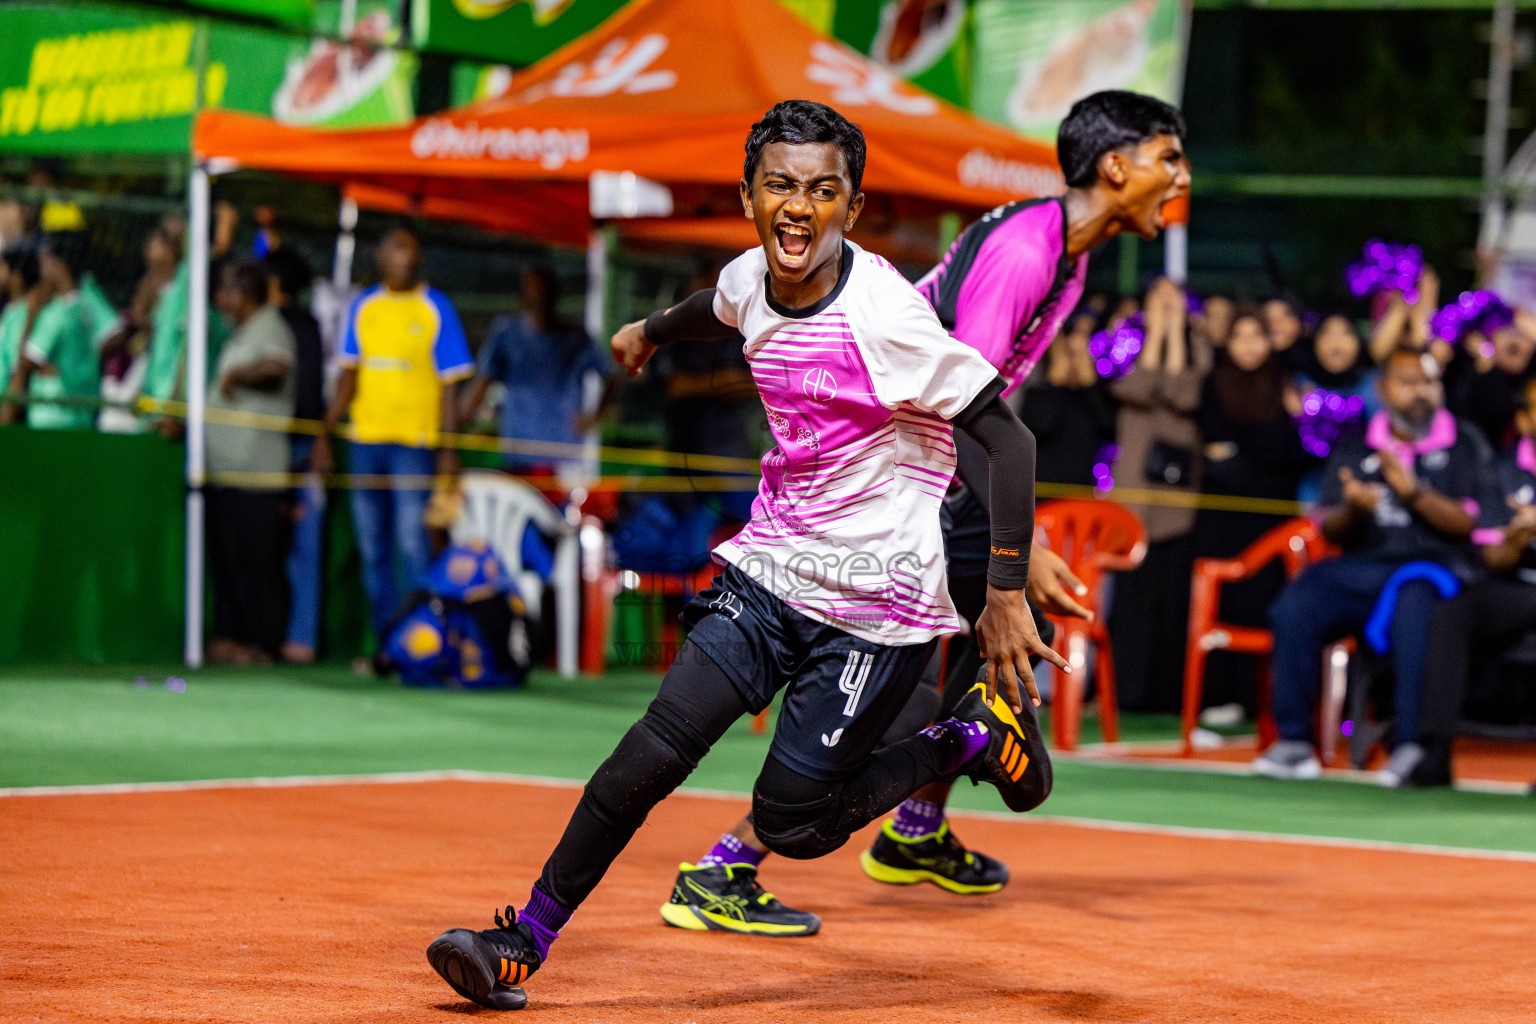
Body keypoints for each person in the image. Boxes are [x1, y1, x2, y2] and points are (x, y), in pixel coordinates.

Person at [425, 100, 1067, 1012]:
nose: (798, 208)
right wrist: (649, 331)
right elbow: (715, 306)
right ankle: (521, 939)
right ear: (750, 195)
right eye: (780, 186)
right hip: (769, 574)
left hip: (874, 608)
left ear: (851, 203)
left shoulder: (887, 319)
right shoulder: (750, 279)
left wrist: (1002, 593)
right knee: (647, 754)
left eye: (822, 190)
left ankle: (969, 734)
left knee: (792, 826)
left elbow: (1009, 443)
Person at [651, 88, 1188, 931]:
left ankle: (915, 828)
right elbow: (956, 410)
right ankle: (725, 867)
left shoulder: (1073, 249)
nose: (1180, 178)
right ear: (1118, 168)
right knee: (905, 682)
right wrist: (1024, 543)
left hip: (943, 476)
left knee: (994, 649)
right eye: (1170, 158)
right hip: (905, 479)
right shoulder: (1025, 254)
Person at [1252, 347, 1495, 782]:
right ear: (1382, 390)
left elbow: (1468, 523)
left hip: (1432, 566)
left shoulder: (1464, 442)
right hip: (1363, 566)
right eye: (1408, 382)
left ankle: (1409, 747)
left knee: (1415, 607)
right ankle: (1294, 742)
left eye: (1429, 382)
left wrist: (1413, 493)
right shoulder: (1357, 443)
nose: (1421, 392)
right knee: (1298, 602)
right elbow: (1331, 530)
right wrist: (1355, 509)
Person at [311, 226, 473, 641]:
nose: (408, 257)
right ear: (381, 254)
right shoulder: (365, 305)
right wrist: (325, 433)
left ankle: (422, 642)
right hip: (365, 441)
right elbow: (349, 372)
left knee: (413, 545)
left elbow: (450, 384)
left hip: (414, 445)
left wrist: (449, 449)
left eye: (414, 250)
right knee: (372, 550)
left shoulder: (436, 306)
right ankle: (388, 643)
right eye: (400, 247)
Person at [1411, 375, 1536, 787]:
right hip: (1520, 586)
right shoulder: (1499, 471)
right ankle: (1431, 754)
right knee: (1453, 610)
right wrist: (1518, 539)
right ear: (1523, 419)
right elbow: (1493, 558)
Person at [1193, 308, 1304, 714]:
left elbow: (1285, 451)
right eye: (1239, 336)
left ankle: (1262, 699)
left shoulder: (1285, 383)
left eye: (1257, 336)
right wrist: (1257, 448)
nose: (1249, 345)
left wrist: (1241, 452)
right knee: (1223, 601)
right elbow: (1217, 456)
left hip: (1271, 519)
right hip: (1222, 519)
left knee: (1267, 602)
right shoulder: (1214, 383)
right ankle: (1219, 695)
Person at [1108, 275, 1210, 711]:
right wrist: (1155, 334)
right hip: (1132, 492)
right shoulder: (1123, 338)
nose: (1167, 304)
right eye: (1159, 296)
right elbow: (1133, 388)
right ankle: (1121, 693)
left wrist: (1174, 336)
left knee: (1172, 599)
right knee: (1129, 599)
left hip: (1176, 496)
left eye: (1175, 297)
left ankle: (1166, 696)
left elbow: (1182, 394)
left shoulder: (1200, 345)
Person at [204, 260, 297, 665]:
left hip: (257, 472)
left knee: (257, 564)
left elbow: (277, 368)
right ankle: (234, 638)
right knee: (230, 562)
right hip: (229, 470)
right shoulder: (239, 332)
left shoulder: (270, 327)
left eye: (226, 288)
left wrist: (239, 375)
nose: (220, 297)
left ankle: (263, 644)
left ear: (245, 292)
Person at [459, 266, 616, 478]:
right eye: (532, 292)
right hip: (518, 453)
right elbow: (483, 382)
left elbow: (613, 374)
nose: (538, 298)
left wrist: (593, 416)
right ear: (522, 297)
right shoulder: (506, 333)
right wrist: (455, 428)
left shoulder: (576, 339)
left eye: (543, 292)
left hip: (564, 455)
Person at [265, 246, 327, 665]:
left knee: (290, 546)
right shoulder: (311, 325)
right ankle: (298, 640)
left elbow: (301, 392)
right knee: (304, 547)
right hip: (301, 445)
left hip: (287, 449)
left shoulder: (277, 326)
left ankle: (285, 637)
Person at [2, 233, 108, 431]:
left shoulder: (56, 315)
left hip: (53, 418)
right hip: (81, 416)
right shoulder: (83, 307)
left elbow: (26, 360)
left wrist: (32, 316)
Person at [1021, 311, 1118, 488]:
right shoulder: (1039, 391)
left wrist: (1088, 381)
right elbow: (1042, 425)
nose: (1074, 361)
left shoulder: (1098, 395)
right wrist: (1057, 379)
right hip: (1040, 495)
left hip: (1081, 497)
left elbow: (1109, 428)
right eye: (1069, 353)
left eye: (1081, 355)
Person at [0, 246, 44, 397]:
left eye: (1, 267)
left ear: (16, 276)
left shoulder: (23, 315)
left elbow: (17, 368)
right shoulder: (10, 312)